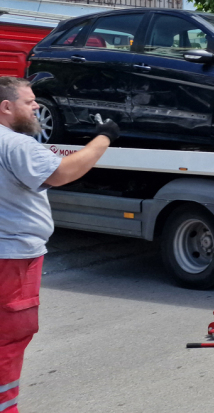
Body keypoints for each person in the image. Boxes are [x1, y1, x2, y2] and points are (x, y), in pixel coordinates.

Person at [0, 77, 118, 413]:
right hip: (13, 259)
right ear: (6, 107)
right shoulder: (16, 145)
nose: (36, 105)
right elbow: (62, 173)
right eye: (29, 101)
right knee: (8, 339)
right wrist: (104, 137)